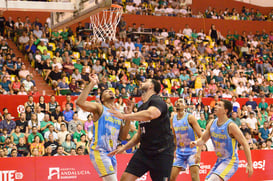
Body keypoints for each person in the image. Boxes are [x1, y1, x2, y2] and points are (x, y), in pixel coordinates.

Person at [108, 79, 175, 181]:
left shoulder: (157, 100)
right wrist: (124, 147)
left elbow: (151, 114)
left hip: (162, 153)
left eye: (147, 80)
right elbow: (139, 135)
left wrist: (125, 116)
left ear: (151, 86)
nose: (143, 81)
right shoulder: (141, 108)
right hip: (144, 152)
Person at [76, 73, 131, 181]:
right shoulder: (99, 108)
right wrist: (92, 83)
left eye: (111, 90)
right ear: (102, 99)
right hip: (99, 151)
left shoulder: (118, 113)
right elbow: (80, 102)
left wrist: (128, 117)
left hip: (111, 153)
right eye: (106, 91)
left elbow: (123, 137)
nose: (110, 91)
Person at [190, 99, 253, 180]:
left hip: (231, 161)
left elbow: (245, 144)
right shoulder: (212, 123)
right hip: (219, 161)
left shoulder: (231, 126)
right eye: (216, 104)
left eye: (219, 105)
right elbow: (202, 139)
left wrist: (250, 164)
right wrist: (195, 142)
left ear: (225, 111)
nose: (215, 106)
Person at [170, 98, 202, 181]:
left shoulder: (190, 118)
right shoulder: (172, 119)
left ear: (185, 106)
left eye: (181, 102)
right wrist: (174, 150)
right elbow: (174, 136)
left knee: (195, 177)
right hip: (179, 152)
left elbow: (201, 136)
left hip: (192, 151)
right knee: (171, 178)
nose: (178, 103)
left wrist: (198, 153)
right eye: (177, 102)